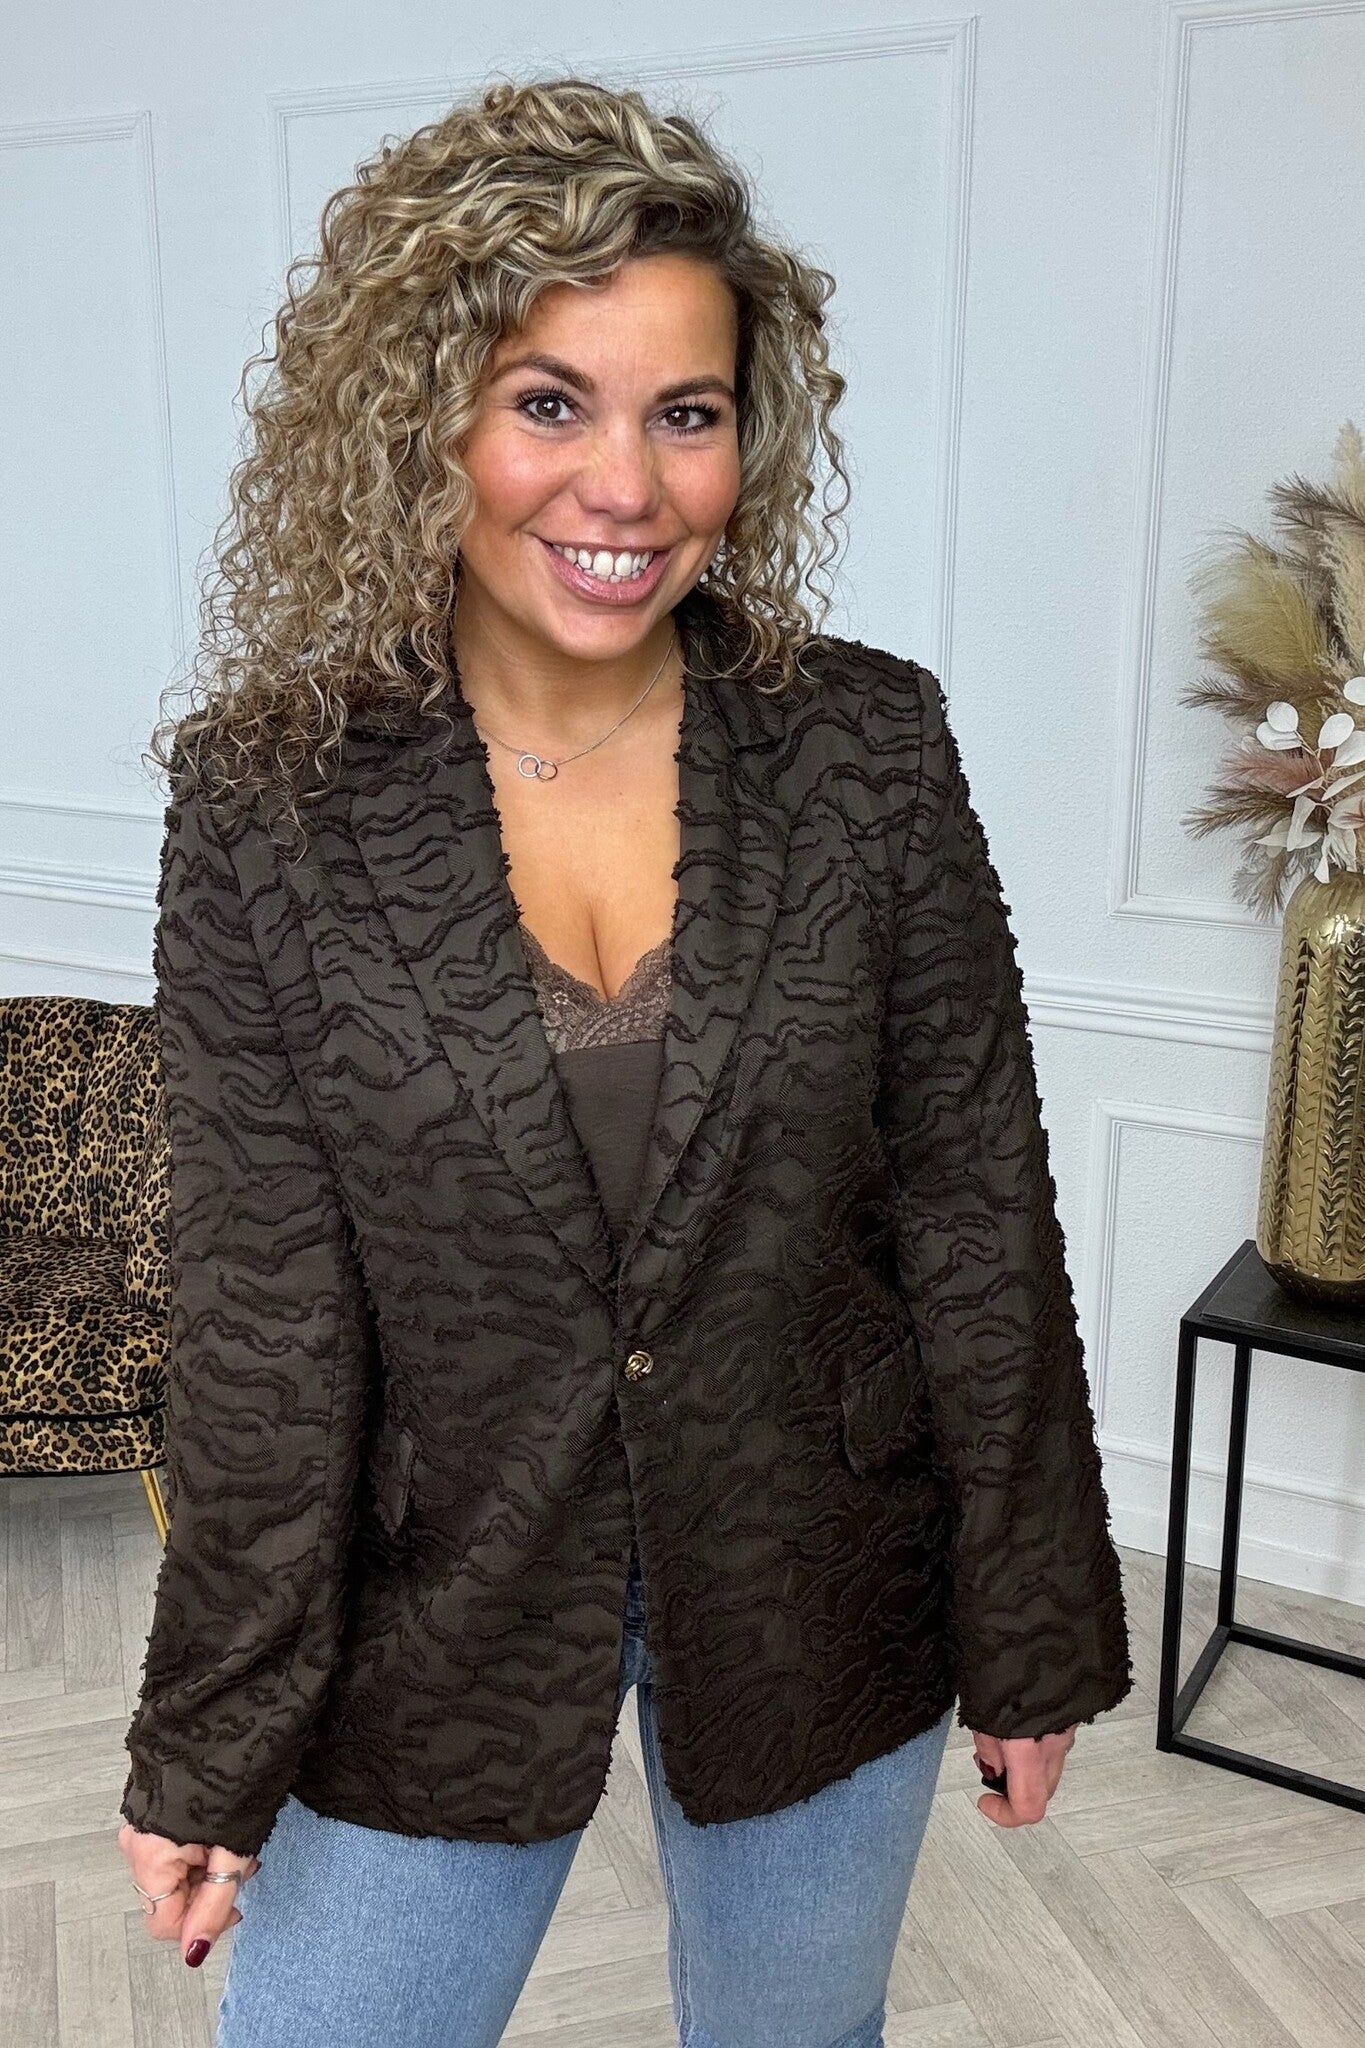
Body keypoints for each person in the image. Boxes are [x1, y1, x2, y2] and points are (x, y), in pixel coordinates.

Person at [116, 73, 1132, 2048]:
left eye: (686, 413)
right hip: (442, 1590)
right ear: (420, 419)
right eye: (549, 402)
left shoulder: (866, 749)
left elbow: (972, 1208)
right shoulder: (267, 804)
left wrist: (1027, 1622)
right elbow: (263, 1317)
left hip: (819, 1563)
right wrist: (213, 1736)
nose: (627, 488)